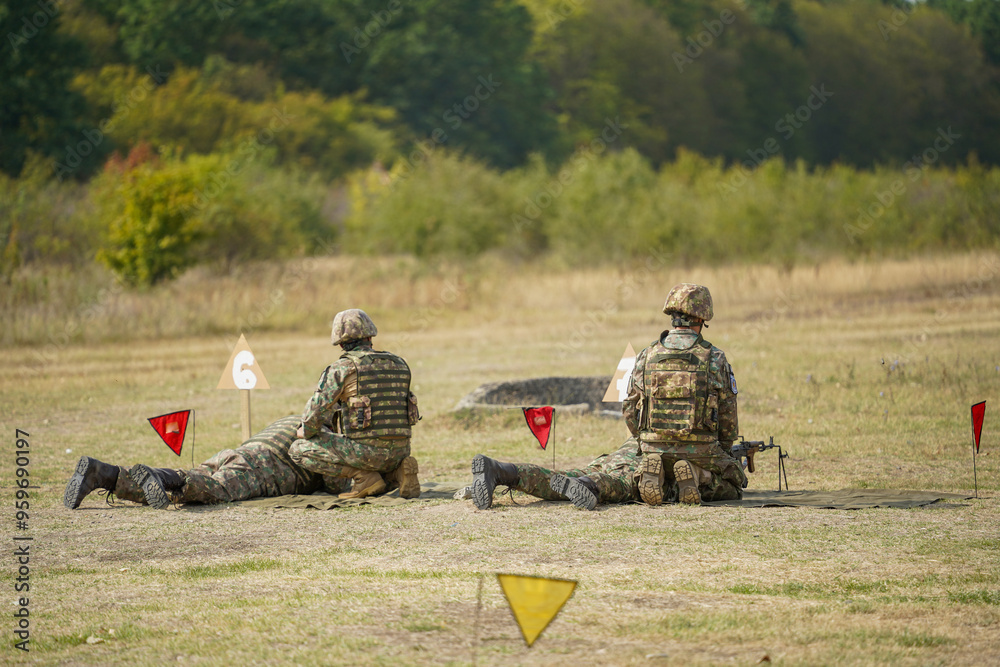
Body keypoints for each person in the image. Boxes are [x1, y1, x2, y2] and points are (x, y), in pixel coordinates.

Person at [64, 415, 358, 509]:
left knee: (191, 483)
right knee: (210, 490)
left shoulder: (293, 419)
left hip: (233, 455)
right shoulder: (322, 436)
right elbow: (335, 485)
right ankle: (160, 476)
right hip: (256, 470)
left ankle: (104, 474)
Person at [623, 283, 747, 505]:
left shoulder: (646, 354)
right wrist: (725, 450)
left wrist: (642, 441)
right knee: (735, 485)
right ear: (702, 318)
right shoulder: (714, 357)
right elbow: (728, 415)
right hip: (702, 449)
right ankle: (700, 476)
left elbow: (629, 408)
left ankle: (659, 476)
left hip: (654, 447)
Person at [288, 308, 421, 500]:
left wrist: (305, 431)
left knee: (298, 449)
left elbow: (314, 414)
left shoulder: (342, 368)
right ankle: (398, 472)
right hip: (401, 450)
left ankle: (364, 477)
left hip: (366, 454)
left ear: (340, 343)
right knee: (380, 454)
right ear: (369, 336)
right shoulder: (399, 363)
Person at [470, 437, 642, 511]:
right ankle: (585, 484)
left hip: (613, 456)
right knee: (621, 484)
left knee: (558, 476)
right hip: (639, 460)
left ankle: (500, 470)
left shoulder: (646, 425)